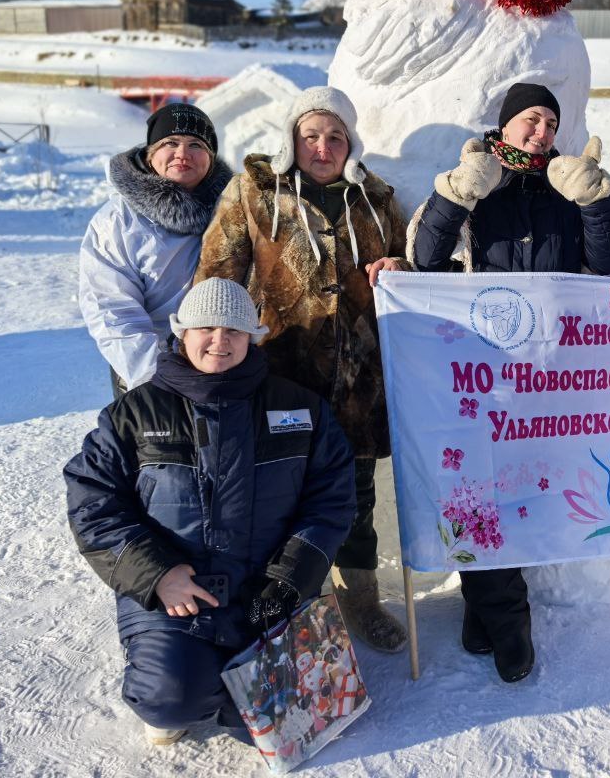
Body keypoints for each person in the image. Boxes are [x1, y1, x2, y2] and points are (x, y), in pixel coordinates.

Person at [63, 277, 356, 746]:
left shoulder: (300, 409)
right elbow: (92, 500)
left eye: (234, 331)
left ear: (252, 337)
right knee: (167, 698)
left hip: (268, 591)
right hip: (181, 595)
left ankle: (238, 693)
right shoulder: (136, 412)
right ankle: (198, 685)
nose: (219, 341)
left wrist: (290, 579)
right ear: (182, 333)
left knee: (278, 719)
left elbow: (332, 498)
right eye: (206, 328)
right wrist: (156, 575)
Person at [411, 82, 610, 681]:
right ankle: (510, 622)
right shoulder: (475, 177)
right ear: (505, 125)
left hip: (549, 377)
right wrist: (456, 195)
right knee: (477, 492)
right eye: (531, 119)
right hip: (478, 369)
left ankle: (483, 610)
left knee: (524, 492)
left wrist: (596, 200)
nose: (541, 132)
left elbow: (608, 264)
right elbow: (426, 259)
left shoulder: (564, 185)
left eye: (551, 123)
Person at [195, 85, 410, 653]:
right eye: (311, 135)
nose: (323, 146)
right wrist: (207, 354)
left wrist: (400, 265)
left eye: (335, 136)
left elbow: (411, 265)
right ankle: (292, 607)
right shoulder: (255, 191)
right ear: (293, 138)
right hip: (282, 374)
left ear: (350, 142)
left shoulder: (377, 197)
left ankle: (360, 598)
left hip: (362, 380)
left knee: (357, 496)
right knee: (282, 496)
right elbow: (217, 275)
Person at [79, 103, 233, 396]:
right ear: (151, 156)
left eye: (196, 144)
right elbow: (112, 310)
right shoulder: (118, 221)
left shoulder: (236, 209)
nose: (182, 154)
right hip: (150, 371)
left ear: (211, 158)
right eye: (170, 143)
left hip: (226, 363)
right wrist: (157, 379)